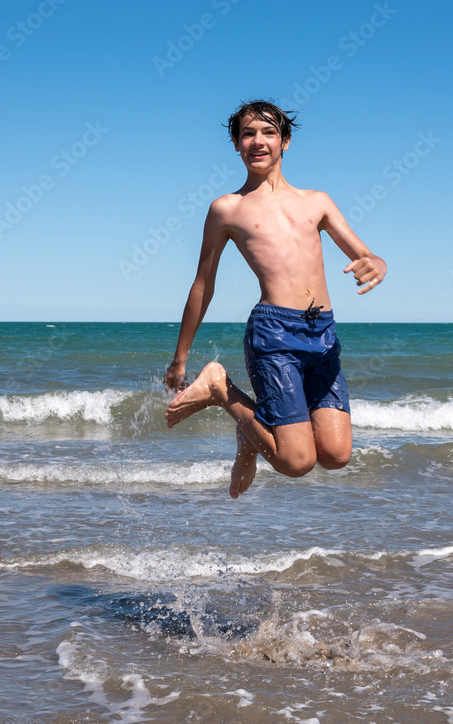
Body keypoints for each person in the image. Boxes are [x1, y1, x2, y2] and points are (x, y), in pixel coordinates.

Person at [164, 99, 387, 499]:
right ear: (236, 145)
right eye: (248, 133)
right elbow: (203, 283)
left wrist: (377, 264)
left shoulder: (316, 202)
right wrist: (181, 357)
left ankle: (249, 432)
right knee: (295, 462)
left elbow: (364, 254)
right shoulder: (227, 209)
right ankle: (219, 388)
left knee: (336, 455)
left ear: (286, 142)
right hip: (275, 333)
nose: (258, 141)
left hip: (323, 334)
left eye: (268, 132)